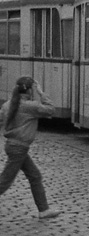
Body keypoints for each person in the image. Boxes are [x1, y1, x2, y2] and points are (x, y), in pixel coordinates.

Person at [0, 76, 60, 219]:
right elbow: (51, 110)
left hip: (13, 146)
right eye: (33, 88)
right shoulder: (29, 106)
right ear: (29, 90)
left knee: (35, 176)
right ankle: (43, 210)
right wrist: (41, 92)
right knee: (4, 181)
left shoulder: (8, 104)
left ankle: (44, 210)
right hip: (19, 149)